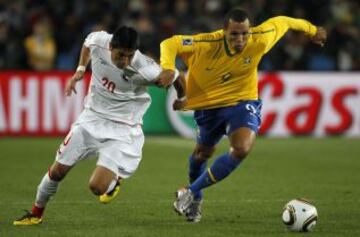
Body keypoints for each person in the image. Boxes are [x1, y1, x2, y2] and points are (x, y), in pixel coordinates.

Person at [158, 8, 327, 222]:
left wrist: (312, 30)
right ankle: (196, 200)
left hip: (241, 102)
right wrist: (167, 67)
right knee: (202, 154)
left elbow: (284, 21)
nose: (241, 39)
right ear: (224, 31)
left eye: (245, 33)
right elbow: (170, 43)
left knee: (241, 148)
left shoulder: (261, 38)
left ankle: (190, 191)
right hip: (207, 107)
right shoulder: (206, 43)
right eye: (234, 34)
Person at [13, 26, 180, 225]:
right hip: (90, 119)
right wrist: (80, 71)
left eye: (129, 55)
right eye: (120, 55)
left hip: (121, 128)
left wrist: (182, 96)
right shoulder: (100, 40)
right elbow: (87, 43)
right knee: (57, 171)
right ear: (110, 47)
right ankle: (35, 213)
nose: (124, 61)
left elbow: (176, 75)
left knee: (97, 187)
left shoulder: (144, 68)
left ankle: (114, 178)